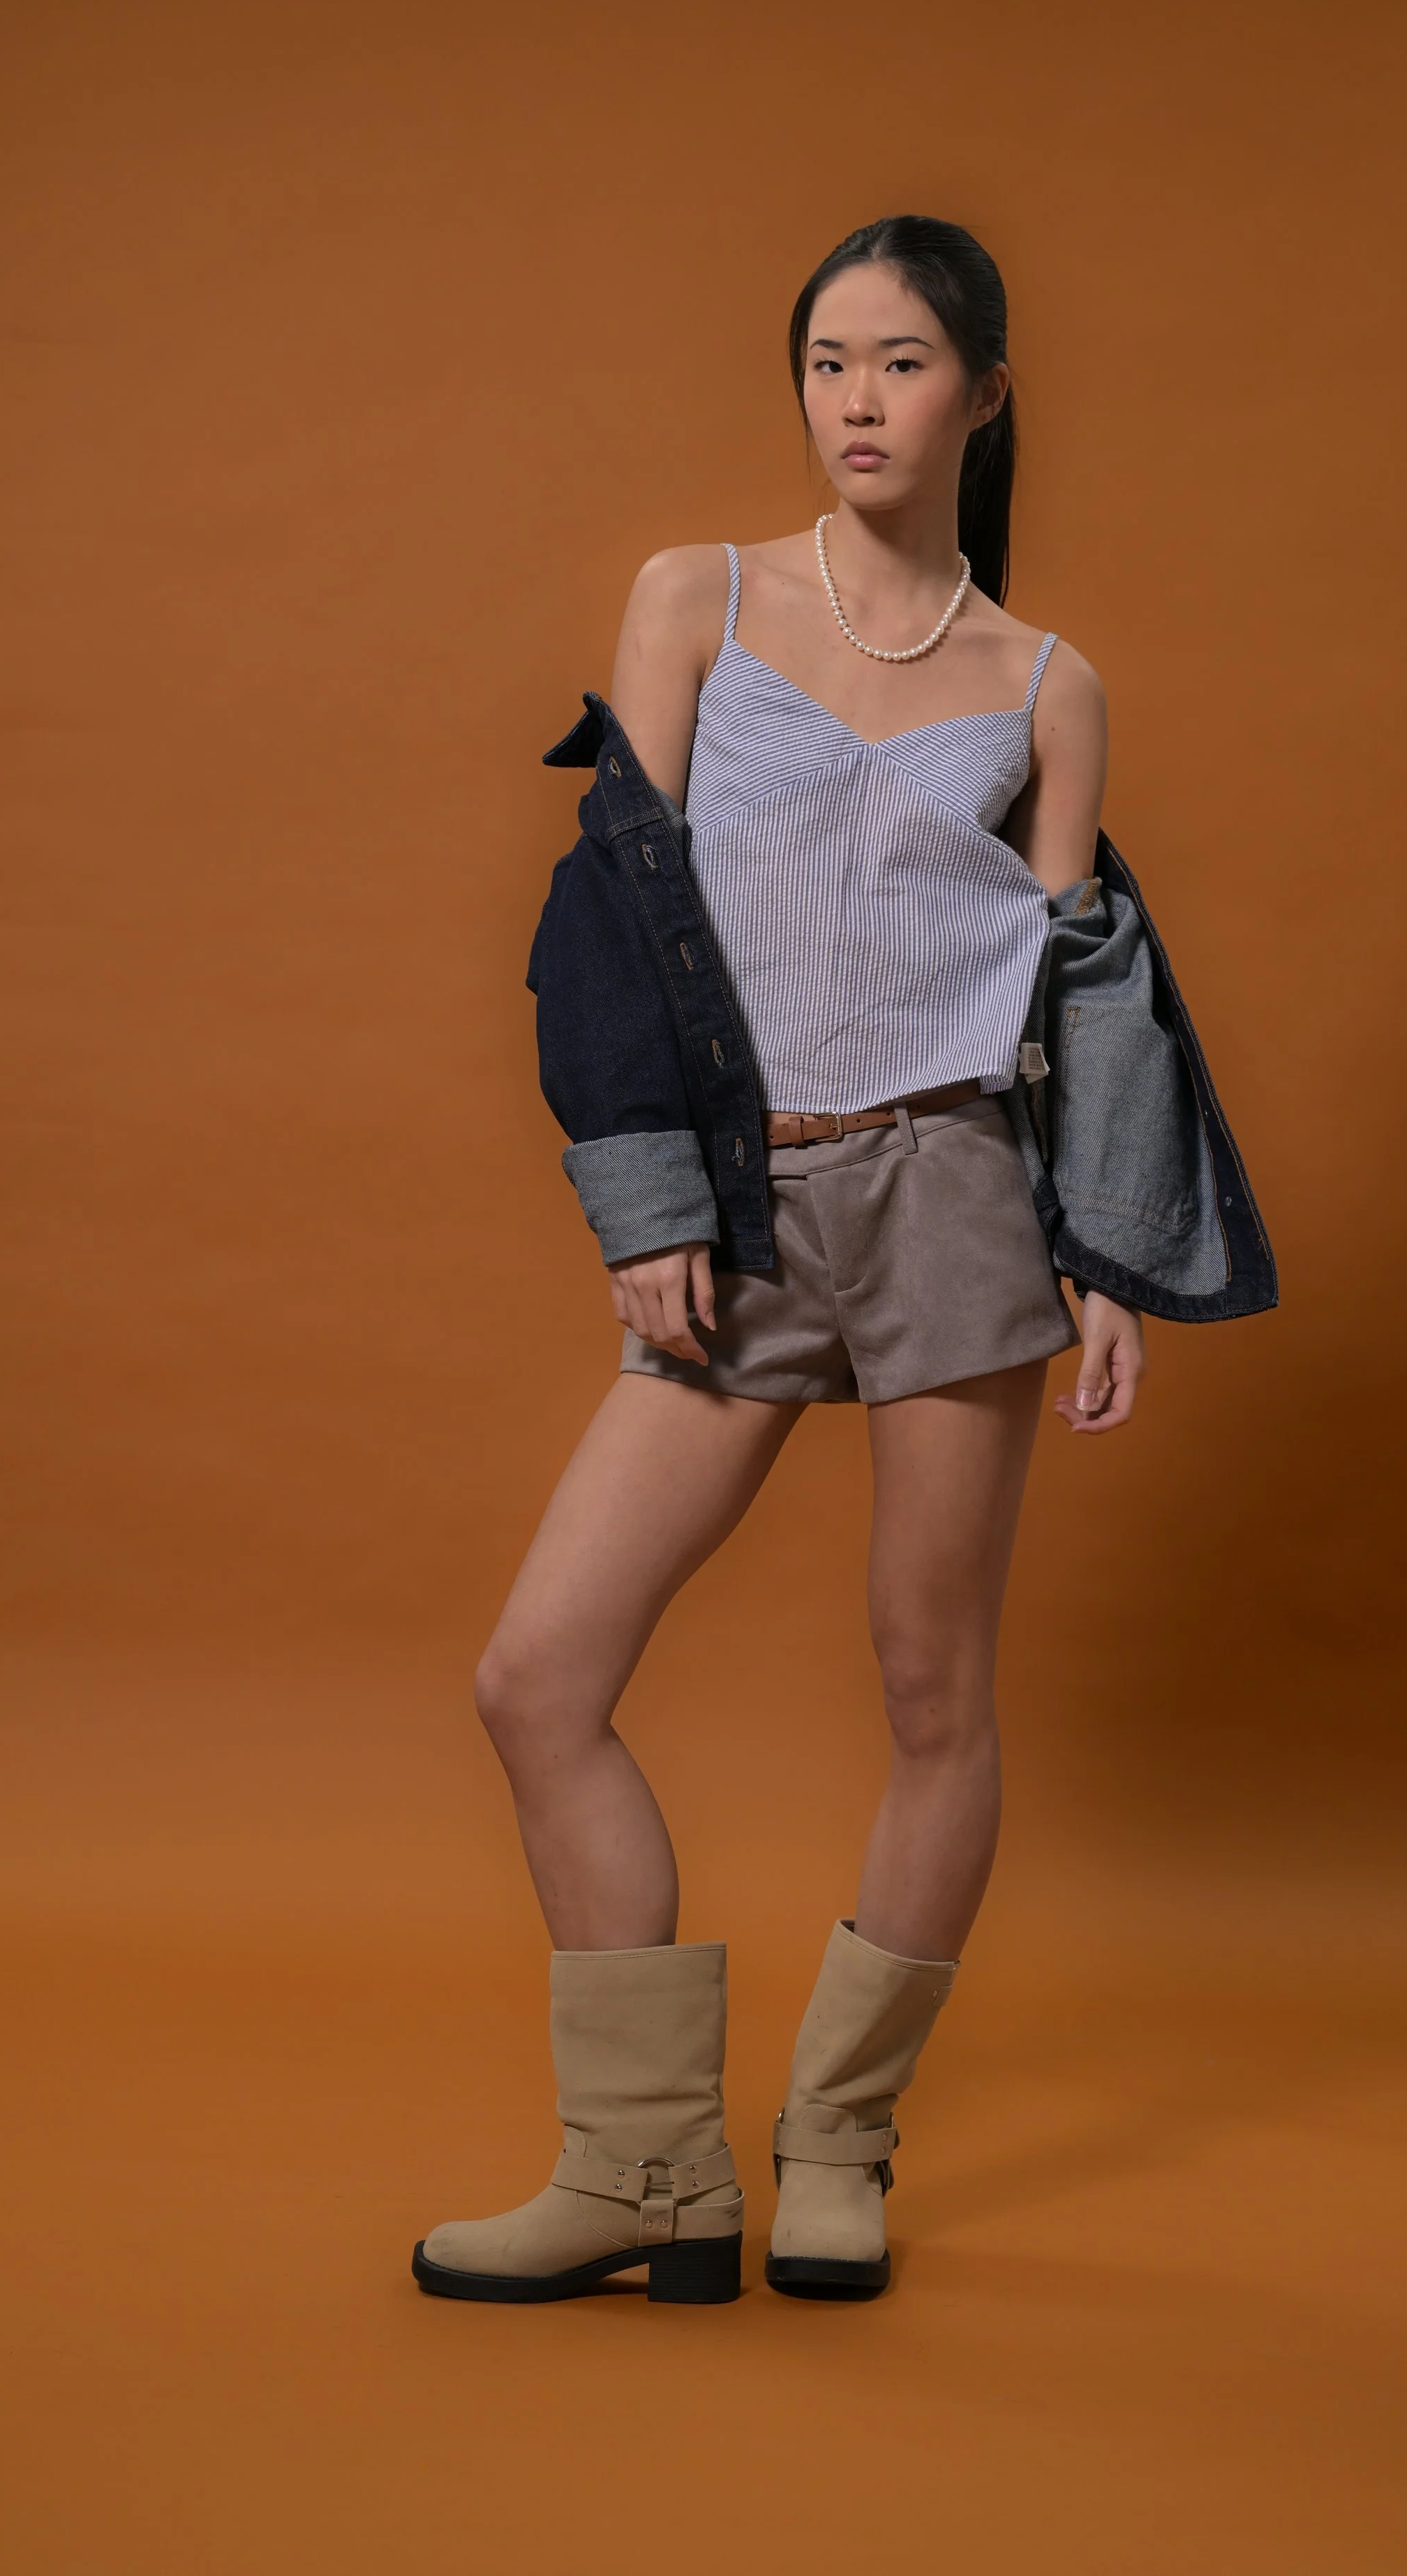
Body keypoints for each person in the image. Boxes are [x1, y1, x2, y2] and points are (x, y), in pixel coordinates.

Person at [413, 216, 1272, 2308]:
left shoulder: (1048, 684)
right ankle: (639, 2174)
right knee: (539, 1674)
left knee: (927, 1686)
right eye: (823, 361)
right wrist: (647, 1209)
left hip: (958, 1195)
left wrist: (1105, 1254)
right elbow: (615, 910)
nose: (855, 401)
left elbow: (1074, 991)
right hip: (742, 1191)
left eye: (898, 363)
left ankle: (834, 2145)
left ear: (980, 391)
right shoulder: (692, 599)